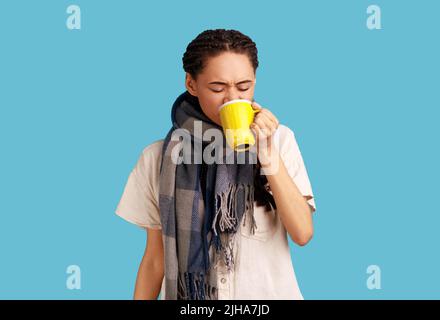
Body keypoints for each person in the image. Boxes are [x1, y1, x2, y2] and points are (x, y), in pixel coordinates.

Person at [115, 29, 316, 300]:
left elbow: (302, 232)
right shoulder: (158, 158)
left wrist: (267, 154)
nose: (232, 98)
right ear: (191, 84)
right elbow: (155, 259)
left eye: (244, 87)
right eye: (218, 88)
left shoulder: (280, 140)